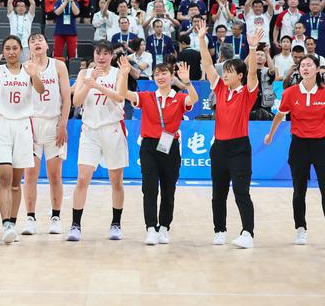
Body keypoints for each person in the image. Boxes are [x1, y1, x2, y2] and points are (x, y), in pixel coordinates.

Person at [120, 59, 198, 245]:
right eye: (157, 74)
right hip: (149, 147)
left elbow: (193, 99)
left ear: (171, 76)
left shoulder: (179, 98)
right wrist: (124, 74)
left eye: (164, 73)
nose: (160, 77)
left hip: (170, 147)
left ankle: (164, 227)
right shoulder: (147, 96)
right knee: (149, 188)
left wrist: (187, 82)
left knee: (168, 189)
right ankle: (150, 228)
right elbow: (123, 93)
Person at [196, 18, 258, 249]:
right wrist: (201, 39)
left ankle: (248, 233)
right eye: (226, 70)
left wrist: (252, 49)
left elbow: (253, 74)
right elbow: (208, 65)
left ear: (239, 76)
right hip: (219, 148)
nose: (225, 74)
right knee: (218, 193)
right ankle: (219, 230)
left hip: (239, 148)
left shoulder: (247, 93)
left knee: (241, 192)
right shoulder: (220, 88)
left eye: (230, 71)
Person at [0, 36, 44, 243]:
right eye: (7, 48)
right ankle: (6, 223)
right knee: (4, 177)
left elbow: (41, 90)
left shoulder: (29, 69)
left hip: (23, 125)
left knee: (16, 183)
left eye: (14, 48)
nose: (11, 52)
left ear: (21, 50)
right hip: (2, 125)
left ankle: (12, 225)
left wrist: (35, 75)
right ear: (3, 51)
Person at [67, 41, 126, 242]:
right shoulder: (85, 74)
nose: (101, 57)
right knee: (82, 179)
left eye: (105, 54)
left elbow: (119, 97)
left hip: (112, 129)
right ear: (94, 54)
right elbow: (76, 102)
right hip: (90, 131)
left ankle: (116, 223)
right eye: (98, 53)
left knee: (116, 181)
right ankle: (75, 225)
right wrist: (89, 81)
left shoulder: (118, 73)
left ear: (111, 55)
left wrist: (97, 85)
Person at [264, 53, 325, 246]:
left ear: (317, 69)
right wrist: (270, 134)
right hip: (299, 145)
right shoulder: (290, 93)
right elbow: (280, 115)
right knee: (299, 190)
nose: (305, 68)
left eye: (309, 65)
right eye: (302, 66)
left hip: (321, 145)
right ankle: (301, 228)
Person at [22, 33, 71, 235]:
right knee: (30, 174)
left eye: (40, 40)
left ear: (47, 44)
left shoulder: (58, 66)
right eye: (33, 41)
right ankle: (30, 219)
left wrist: (63, 124)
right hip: (31, 124)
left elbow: (67, 98)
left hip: (53, 123)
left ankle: (56, 217)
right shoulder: (24, 68)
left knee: (54, 175)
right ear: (29, 48)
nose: (37, 43)